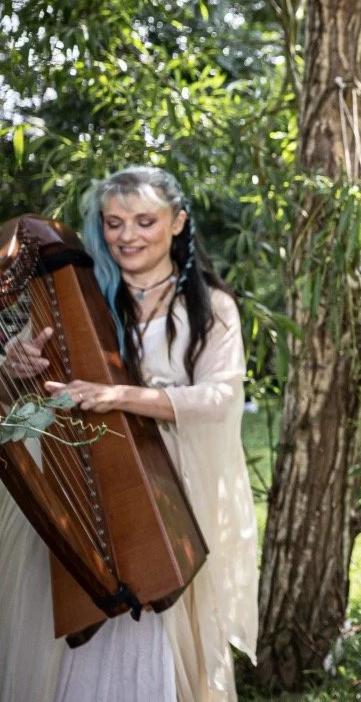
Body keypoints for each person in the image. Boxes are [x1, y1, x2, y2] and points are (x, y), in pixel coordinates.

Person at [0, 167, 257, 702]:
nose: (128, 236)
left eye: (145, 221)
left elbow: (218, 399)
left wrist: (120, 397)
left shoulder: (209, 308)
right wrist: (20, 362)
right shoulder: (79, 296)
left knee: (155, 610)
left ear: (178, 223)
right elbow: (27, 383)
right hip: (84, 485)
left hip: (169, 491)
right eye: (114, 223)